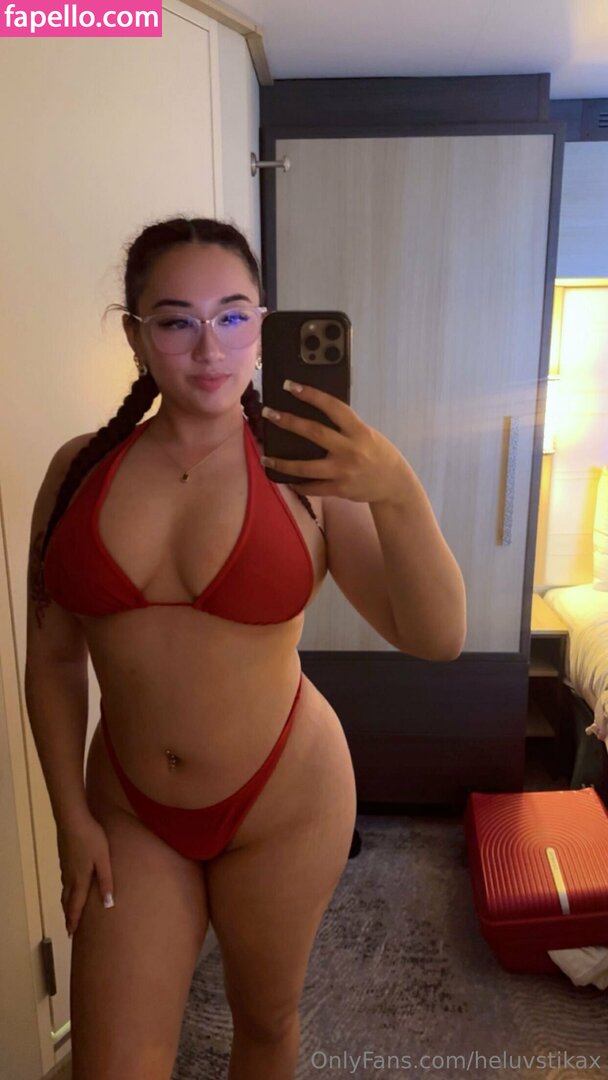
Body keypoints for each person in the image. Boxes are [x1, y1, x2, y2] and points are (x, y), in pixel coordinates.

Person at [25, 216, 466, 1080]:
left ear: (263, 326)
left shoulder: (311, 473)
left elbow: (437, 636)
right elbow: (52, 659)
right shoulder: (77, 472)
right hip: (129, 810)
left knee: (264, 1024)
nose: (209, 347)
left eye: (233, 316)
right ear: (135, 335)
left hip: (285, 803)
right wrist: (69, 818)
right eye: (176, 320)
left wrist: (396, 491)